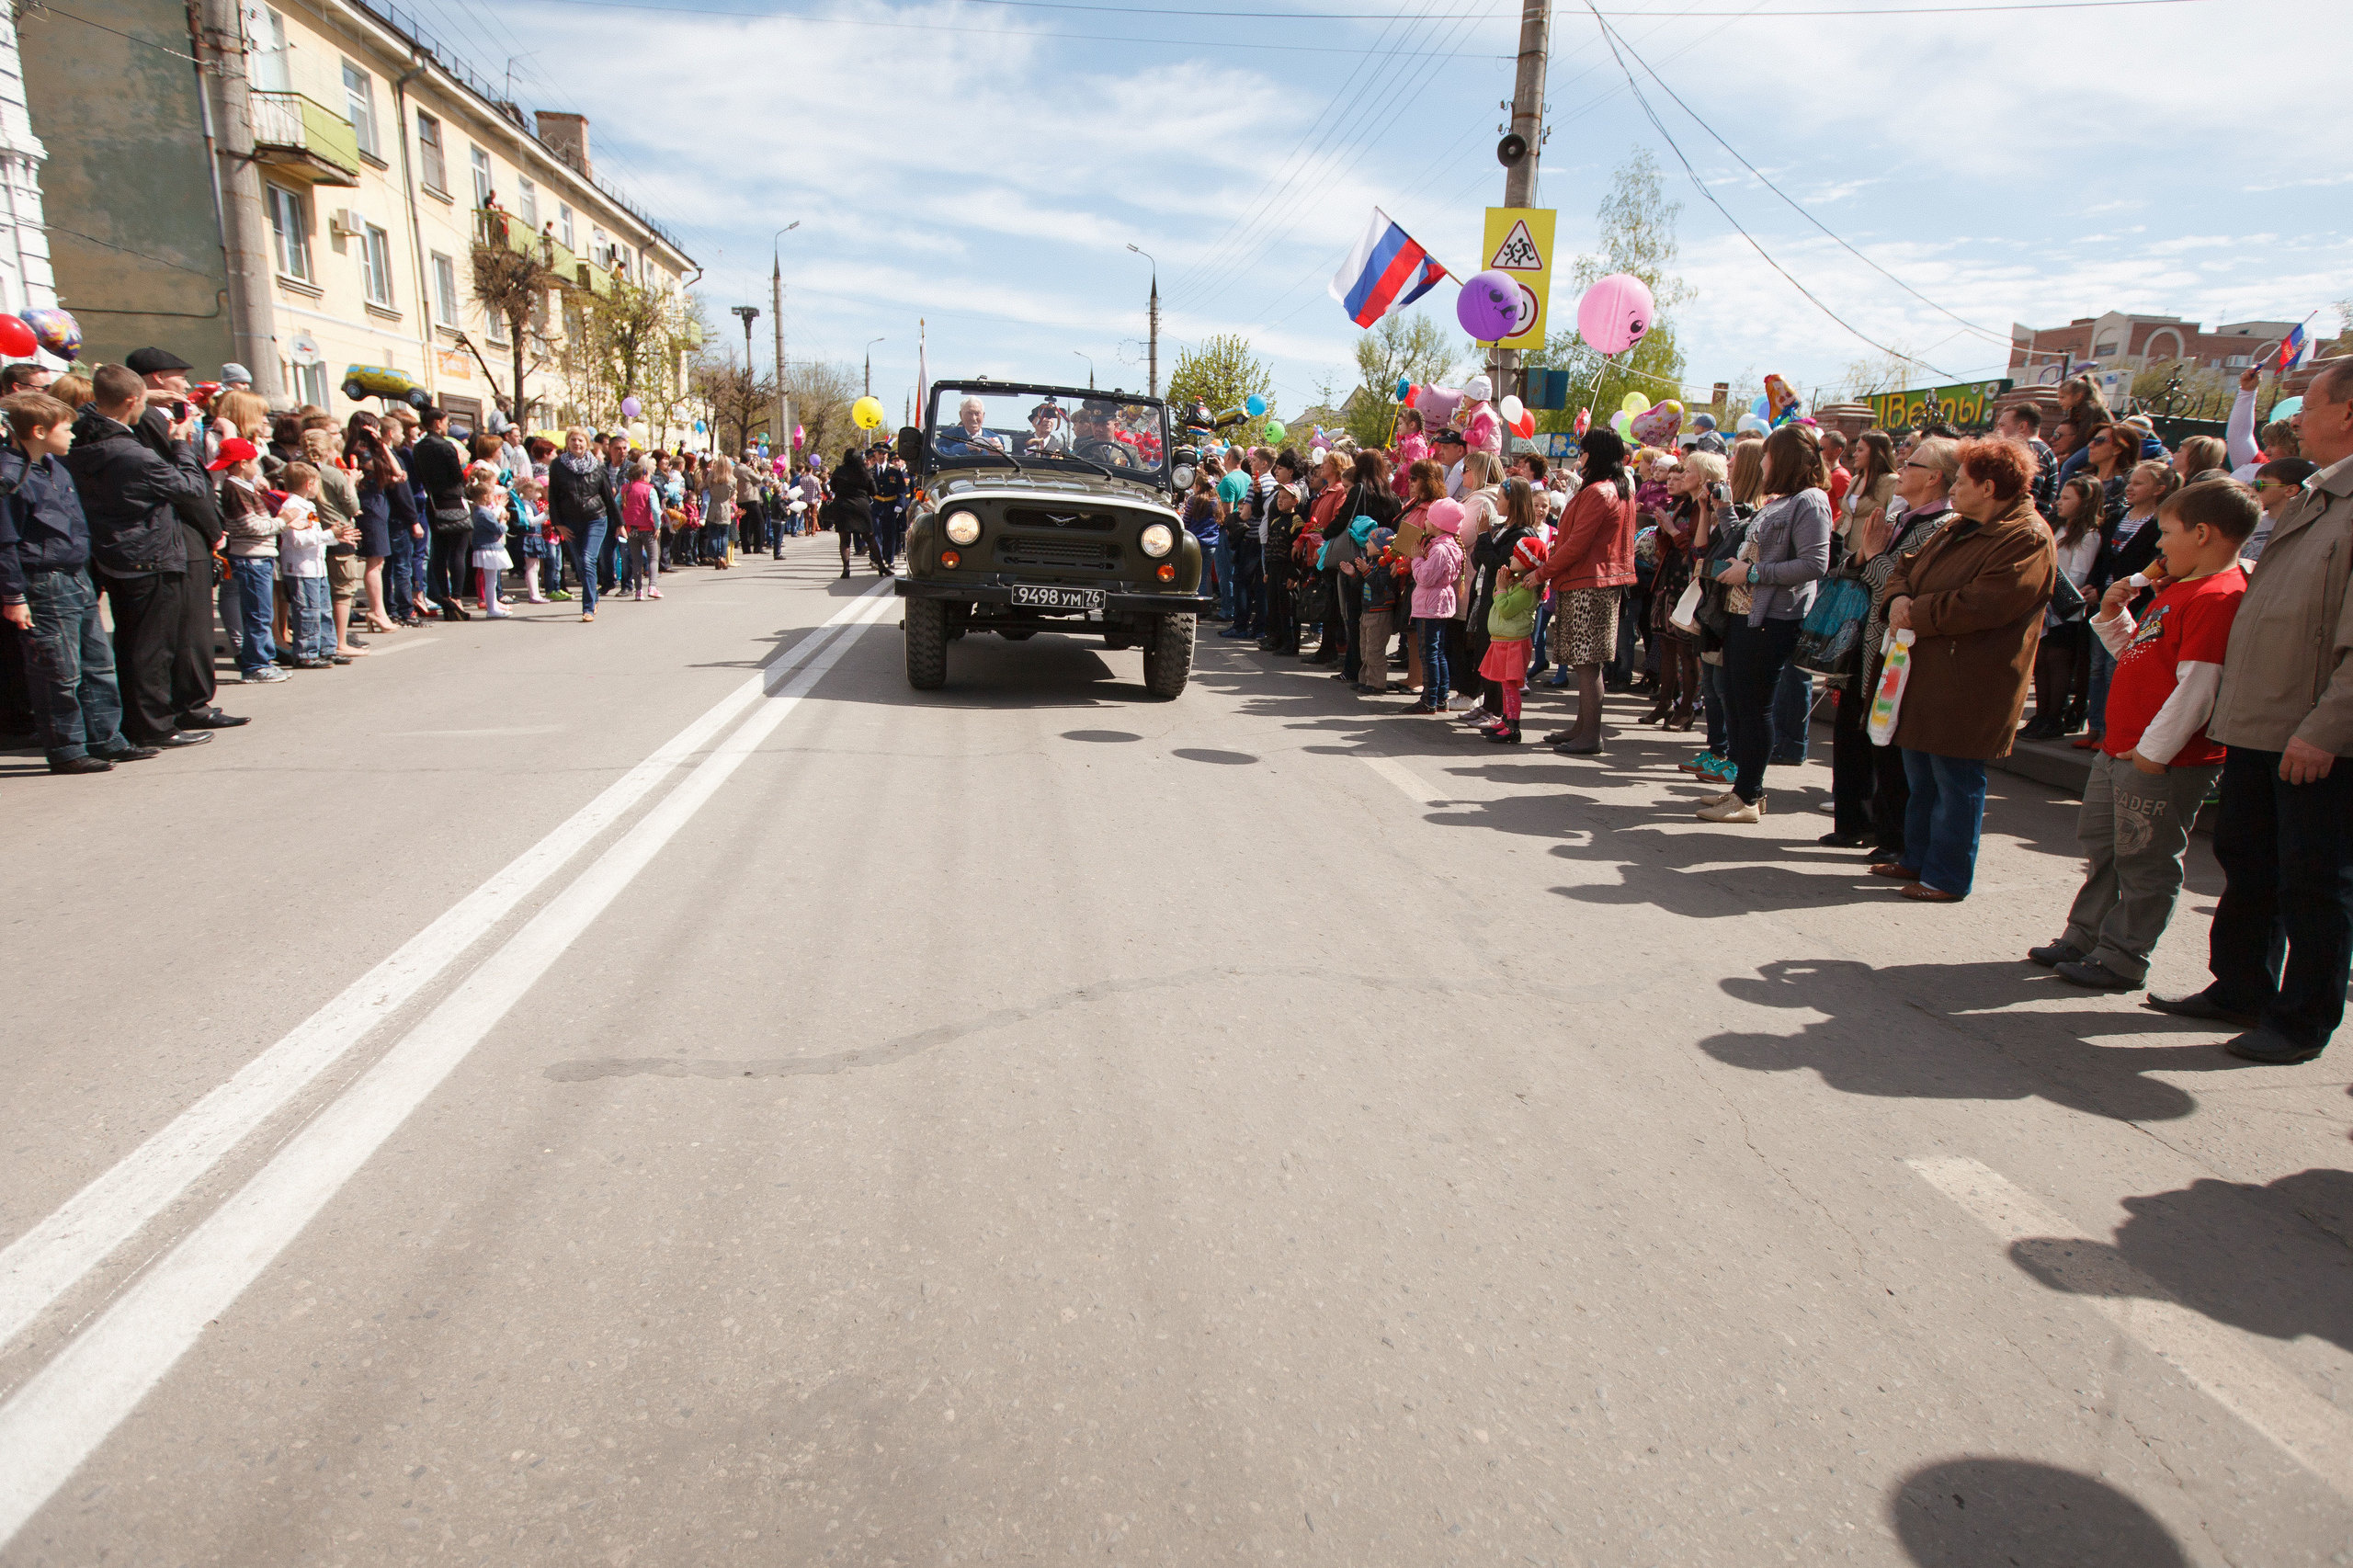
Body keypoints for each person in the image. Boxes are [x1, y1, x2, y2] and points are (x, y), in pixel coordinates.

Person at [2151, 358, 2353, 1064]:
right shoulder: (2314, 496)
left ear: (2348, 414)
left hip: (2310, 732)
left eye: (2311, 405)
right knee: (2249, 860)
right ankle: (2239, 987)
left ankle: (2301, 1020)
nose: (2298, 417)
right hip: (2260, 720)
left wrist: (2325, 729)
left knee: (2314, 880)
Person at [2031, 477, 2256, 990]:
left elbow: (2198, 688)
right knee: (2106, 848)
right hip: (2122, 748)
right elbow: (2145, 661)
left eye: (2167, 533)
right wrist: (2114, 618)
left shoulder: (2219, 597)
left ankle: (2123, 957)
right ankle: (2084, 936)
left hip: (2160, 759)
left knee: (2146, 859)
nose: (2158, 546)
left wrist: (2153, 754)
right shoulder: (2176, 589)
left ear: (2203, 534)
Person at [1871, 437, 2057, 900]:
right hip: (1927, 675)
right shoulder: (1960, 525)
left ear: (1989, 487)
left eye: (1962, 481)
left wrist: (1914, 610)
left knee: (1956, 782)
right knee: (1922, 778)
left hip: (1971, 682)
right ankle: (1916, 859)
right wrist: (1897, 599)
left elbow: (1984, 604)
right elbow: (1904, 569)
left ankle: (1946, 877)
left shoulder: (2026, 537)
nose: (1953, 489)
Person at [63, 364, 219, 749]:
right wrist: (181, 442)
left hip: (115, 552)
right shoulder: (134, 454)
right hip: (149, 554)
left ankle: (141, 721)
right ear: (132, 402)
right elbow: (190, 487)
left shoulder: (83, 438)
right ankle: (155, 725)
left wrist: (144, 396)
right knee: (152, 649)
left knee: (133, 644)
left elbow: (93, 408)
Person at [0, 391, 153, 771]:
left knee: (97, 664)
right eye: (66, 428)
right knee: (58, 670)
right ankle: (68, 748)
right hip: (43, 581)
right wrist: (12, 594)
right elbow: (5, 542)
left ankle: (106, 737)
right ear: (38, 431)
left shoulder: (54, 466)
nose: (73, 435)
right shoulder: (10, 477)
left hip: (75, 576)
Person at [1828, 436, 1959, 855]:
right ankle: (1852, 822)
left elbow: (1901, 588)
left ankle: (1893, 837)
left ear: (1935, 477)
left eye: (1913, 464)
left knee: (1886, 746)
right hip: (1864, 644)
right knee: (1851, 738)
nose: (1902, 467)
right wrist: (1865, 556)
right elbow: (1857, 564)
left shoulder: (1940, 527)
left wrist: (1873, 556)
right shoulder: (1900, 515)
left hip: (1896, 652)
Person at [1691, 423, 1830, 815]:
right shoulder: (1778, 501)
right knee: (1735, 703)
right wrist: (1722, 509)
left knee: (1754, 708)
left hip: (1772, 620)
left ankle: (1749, 796)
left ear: (1782, 458)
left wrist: (1751, 574)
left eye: (1766, 454)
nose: (1761, 461)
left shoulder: (1811, 501)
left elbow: (1815, 563)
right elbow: (1742, 542)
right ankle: (1741, 788)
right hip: (1742, 616)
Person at [1526, 428, 1640, 756]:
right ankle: (1582, 727)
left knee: (1588, 664)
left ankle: (1590, 735)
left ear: (1595, 454)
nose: (1581, 454)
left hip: (1589, 582)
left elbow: (1576, 544)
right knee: (1585, 662)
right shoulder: (1619, 489)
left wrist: (1542, 573)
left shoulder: (1599, 492)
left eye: (1585, 449)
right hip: (1599, 581)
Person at [2020, 474, 2103, 739]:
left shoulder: (2089, 534)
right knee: (2041, 661)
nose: (2059, 502)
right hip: (2044, 606)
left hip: (2066, 609)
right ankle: (2041, 715)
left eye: (2067, 498)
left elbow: (2078, 574)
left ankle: (2053, 717)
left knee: (2057, 663)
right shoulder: (2055, 527)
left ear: (2085, 503)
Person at [211, 437, 285, 684]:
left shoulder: (242, 486)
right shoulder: (235, 488)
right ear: (243, 463)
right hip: (250, 559)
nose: (258, 467)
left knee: (261, 614)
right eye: (254, 462)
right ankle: (256, 665)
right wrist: (284, 521)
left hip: (256, 558)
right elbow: (250, 525)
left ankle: (261, 661)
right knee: (258, 615)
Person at [1476, 534, 1545, 744]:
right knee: (1505, 685)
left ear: (1526, 563)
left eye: (1515, 557)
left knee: (1510, 685)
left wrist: (1501, 587)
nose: (1510, 560)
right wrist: (1504, 586)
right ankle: (1505, 720)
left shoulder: (1525, 588)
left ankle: (1513, 727)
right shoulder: (1517, 582)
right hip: (1503, 640)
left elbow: (1505, 609)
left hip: (1514, 642)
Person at [545, 426, 613, 622]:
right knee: (581, 565)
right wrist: (557, 524)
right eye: (573, 440)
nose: (577, 443)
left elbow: (607, 495)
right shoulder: (558, 465)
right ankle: (594, 596)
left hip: (596, 518)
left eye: (581, 440)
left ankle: (588, 607)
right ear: (568, 442)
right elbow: (553, 497)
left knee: (587, 559)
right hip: (569, 522)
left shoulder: (598, 465)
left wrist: (619, 523)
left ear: (587, 443)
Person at [408, 406, 471, 620]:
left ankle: (444, 594)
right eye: (446, 421)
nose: (447, 425)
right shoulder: (446, 446)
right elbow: (457, 476)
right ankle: (456, 597)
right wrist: (463, 466)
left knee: (439, 550)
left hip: (433, 501)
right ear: (437, 423)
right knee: (458, 551)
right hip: (454, 500)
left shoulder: (419, 448)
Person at [1404, 498, 1464, 714]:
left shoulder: (1440, 549)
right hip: (1439, 603)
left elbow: (1424, 577)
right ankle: (1441, 697)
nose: (1426, 523)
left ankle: (1429, 699)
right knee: (1437, 653)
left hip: (1430, 604)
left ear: (1438, 524)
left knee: (1429, 653)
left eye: (1429, 519)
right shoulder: (1450, 546)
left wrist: (1416, 559)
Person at [275, 462, 335, 667]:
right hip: (302, 568)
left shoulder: (308, 505)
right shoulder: (292, 507)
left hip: (317, 567)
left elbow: (316, 536)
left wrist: (336, 536)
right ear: (309, 484)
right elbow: (298, 540)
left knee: (324, 609)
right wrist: (329, 534)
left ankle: (326, 648)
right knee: (308, 611)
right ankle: (306, 653)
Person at [1995, 404, 2058, 519]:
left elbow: (2027, 495)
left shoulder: (2032, 451)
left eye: (2002, 425)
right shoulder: (2041, 450)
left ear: (2022, 426)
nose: (1997, 430)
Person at [2245, 457, 2316, 559]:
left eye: (2259, 485)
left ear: (2290, 490)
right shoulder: (2249, 521)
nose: (2252, 490)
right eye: (2252, 484)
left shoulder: (2305, 526)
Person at [827, 445, 876, 577]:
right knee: (869, 537)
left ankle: (846, 568)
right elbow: (873, 491)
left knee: (844, 541)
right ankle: (879, 563)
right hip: (860, 506)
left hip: (843, 506)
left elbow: (833, 487)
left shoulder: (839, 471)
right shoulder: (864, 471)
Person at [620, 460, 664, 601]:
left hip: (631, 528)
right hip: (648, 528)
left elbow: (616, 504)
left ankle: (639, 591)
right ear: (644, 475)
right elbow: (656, 511)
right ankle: (652, 586)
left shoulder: (625, 489)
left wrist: (620, 523)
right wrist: (657, 526)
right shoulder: (649, 490)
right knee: (653, 557)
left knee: (636, 559)